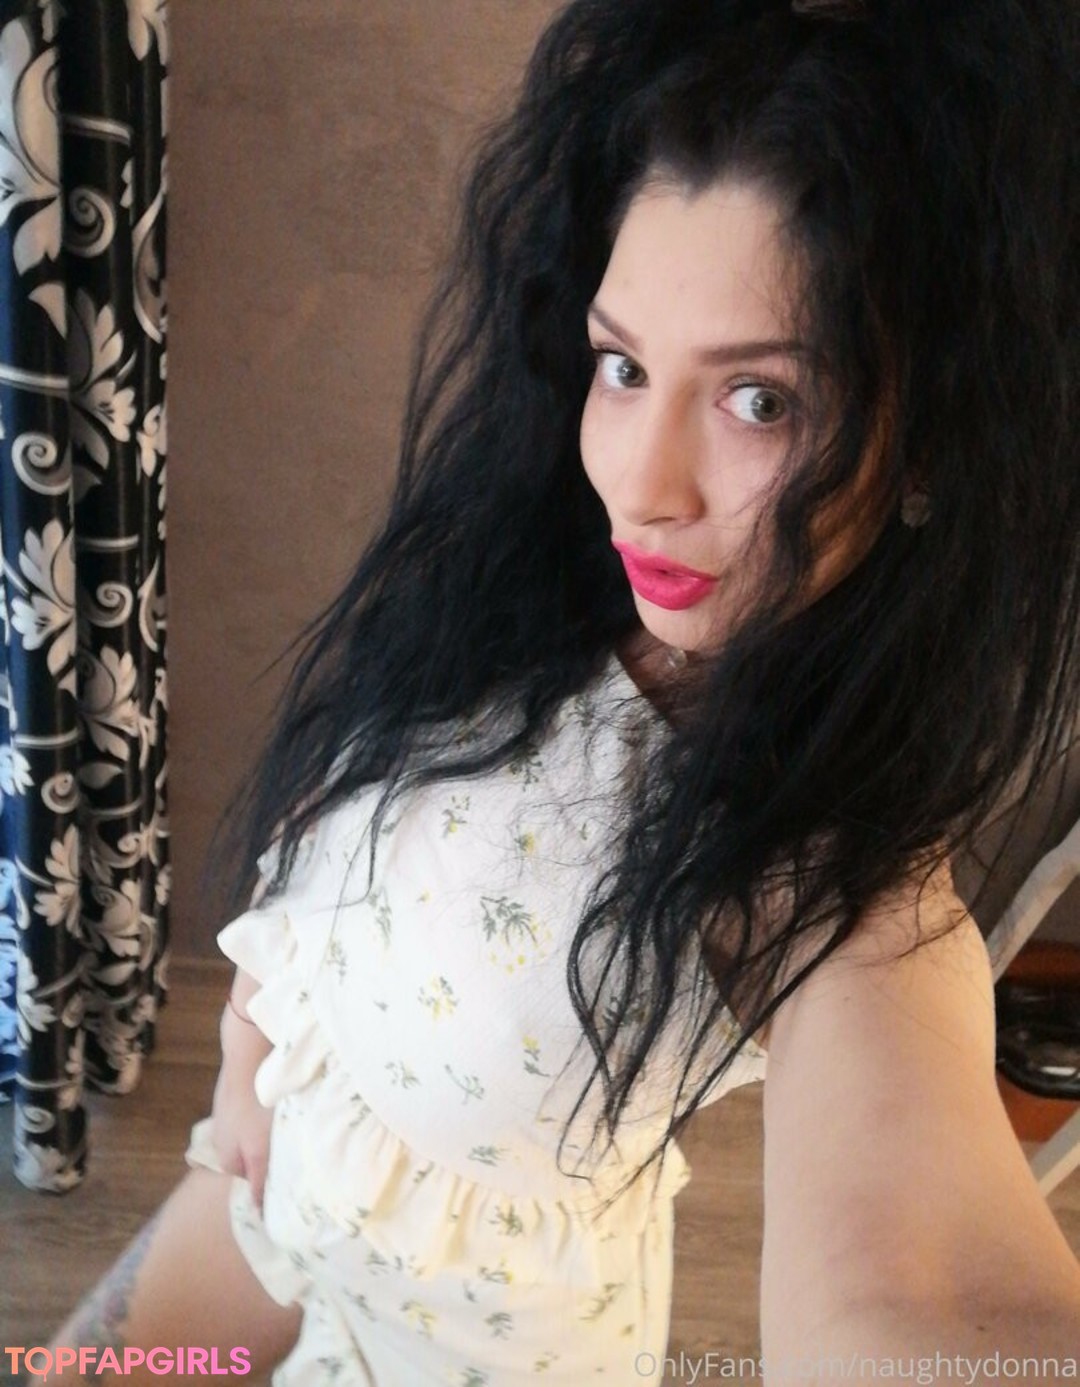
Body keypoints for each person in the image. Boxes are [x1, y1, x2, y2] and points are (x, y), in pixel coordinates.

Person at [51, 0, 1080, 1382]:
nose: (640, 486)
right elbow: (330, 846)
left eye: (761, 400)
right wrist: (244, 1061)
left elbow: (925, 1292)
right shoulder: (532, 587)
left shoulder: (821, 861)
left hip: (469, 1341)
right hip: (270, 1172)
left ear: (932, 446)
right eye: (624, 366)